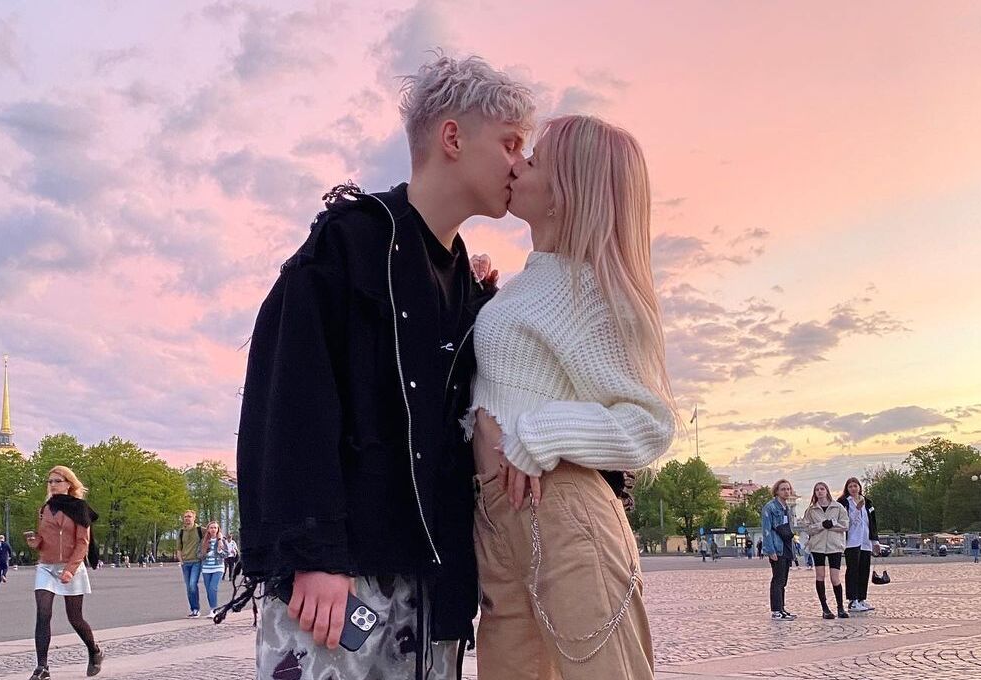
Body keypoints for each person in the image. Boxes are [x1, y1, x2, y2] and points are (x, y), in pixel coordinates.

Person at [235, 54, 535, 680]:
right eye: (509, 142)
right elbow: (291, 393)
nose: (519, 162)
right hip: (341, 583)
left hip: (433, 590)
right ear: (452, 137)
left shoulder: (471, 288)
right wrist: (315, 552)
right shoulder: (350, 243)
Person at [468, 114, 677, 678]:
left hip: (563, 512)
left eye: (534, 161)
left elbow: (649, 422)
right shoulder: (531, 283)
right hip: (498, 516)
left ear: (566, 193)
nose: (517, 165)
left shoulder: (589, 290)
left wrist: (540, 434)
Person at [23, 466, 103, 679]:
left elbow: (82, 542)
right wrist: (35, 541)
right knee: (43, 613)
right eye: (50, 481)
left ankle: (94, 650)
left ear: (69, 484)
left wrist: (70, 570)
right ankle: (42, 667)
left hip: (71, 566)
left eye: (57, 481)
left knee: (75, 618)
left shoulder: (80, 508)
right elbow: (43, 539)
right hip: (46, 566)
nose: (52, 485)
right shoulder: (45, 508)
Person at [800, 482, 849, 619]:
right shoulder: (811, 510)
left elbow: (845, 525)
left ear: (827, 491)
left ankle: (840, 607)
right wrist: (821, 525)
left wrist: (832, 525)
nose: (820, 491)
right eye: (817, 490)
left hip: (835, 545)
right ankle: (825, 608)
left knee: (835, 578)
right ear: (814, 493)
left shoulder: (838, 507)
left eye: (822, 489)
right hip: (818, 546)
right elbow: (807, 528)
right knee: (820, 576)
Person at [838, 477, 881, 613]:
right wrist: (856, 509)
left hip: (865, 540)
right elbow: (846, 521)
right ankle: (853, 600)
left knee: (864, 570)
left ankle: (862, 598)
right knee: (853, 570)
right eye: (850, 486)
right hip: (851, 541)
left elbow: (872, 522)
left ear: (859, 487)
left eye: (855, 486)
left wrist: (875, 541)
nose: (853, 489)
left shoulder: (867, 502)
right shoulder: (843, 503)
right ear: (847, 488)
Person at [761, 479, 796, 621]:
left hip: (786, 546)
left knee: (783, 580)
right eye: (783, 489)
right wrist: (770, 550)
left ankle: (781, 608)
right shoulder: (770, 507)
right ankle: (776, 610)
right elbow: (766, 530)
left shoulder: (787, 507)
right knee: (777, 579)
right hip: (777, 547)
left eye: (788, 489)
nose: (786, 492)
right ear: (776, 491)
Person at [175, 510, 203, 618]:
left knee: (192, 585)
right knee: (188, 588)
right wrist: (181, 560)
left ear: (194, 518)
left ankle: (196, 609)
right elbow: (179, 548)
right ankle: (193, 609)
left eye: (189, 516)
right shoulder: (181, 532)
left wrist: (219, 540)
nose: (187, 518)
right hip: (185, 563)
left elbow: (215, 531)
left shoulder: (200, 530)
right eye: (185, 516)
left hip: (196, 561)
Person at [199, 521, 228, 618]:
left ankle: (214, 610)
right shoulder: (204, 541)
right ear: (208, 529)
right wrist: (205, 554)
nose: (213, 529)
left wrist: (219, 551)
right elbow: (198, 554)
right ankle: (212, 609)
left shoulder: (222, 540)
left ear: (218, 529)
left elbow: (227, 554)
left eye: (215, 528)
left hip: (218, 567)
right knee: (208, 590)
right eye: (211, 528)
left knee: (213, 588)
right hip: (206, 568)